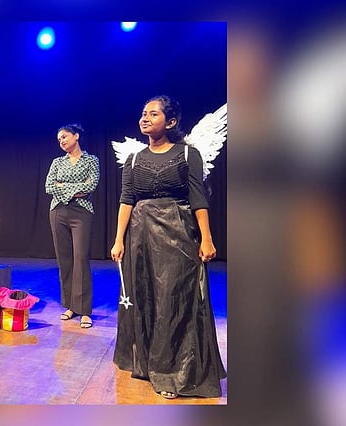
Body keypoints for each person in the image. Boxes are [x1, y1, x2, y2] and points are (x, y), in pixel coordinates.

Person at [110, 95, 226, 398]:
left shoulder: (188, 154)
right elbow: (126, 200)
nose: (145, 118)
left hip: (178, 233)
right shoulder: (134, 159)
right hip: (141, 235)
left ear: (171, 121)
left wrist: (207, 237)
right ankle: (149, 364)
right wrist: (119, 239)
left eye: (153, 114)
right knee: (146, 297)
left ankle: (174, 372)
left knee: (173, 300)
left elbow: (198, 198)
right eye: (143, 113)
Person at [45, 123, 100, 328]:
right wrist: (75, 189)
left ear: (76, 136)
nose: (61, 141)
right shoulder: (57, 162)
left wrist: (63, 187)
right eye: (59, 139)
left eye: (64, 136)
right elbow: (49, 186)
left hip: (81, 212)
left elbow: (90, 186)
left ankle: (84, 310)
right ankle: (70, 306)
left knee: (80, 258)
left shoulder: (91, 160)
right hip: (58, 211)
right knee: (64, 259)